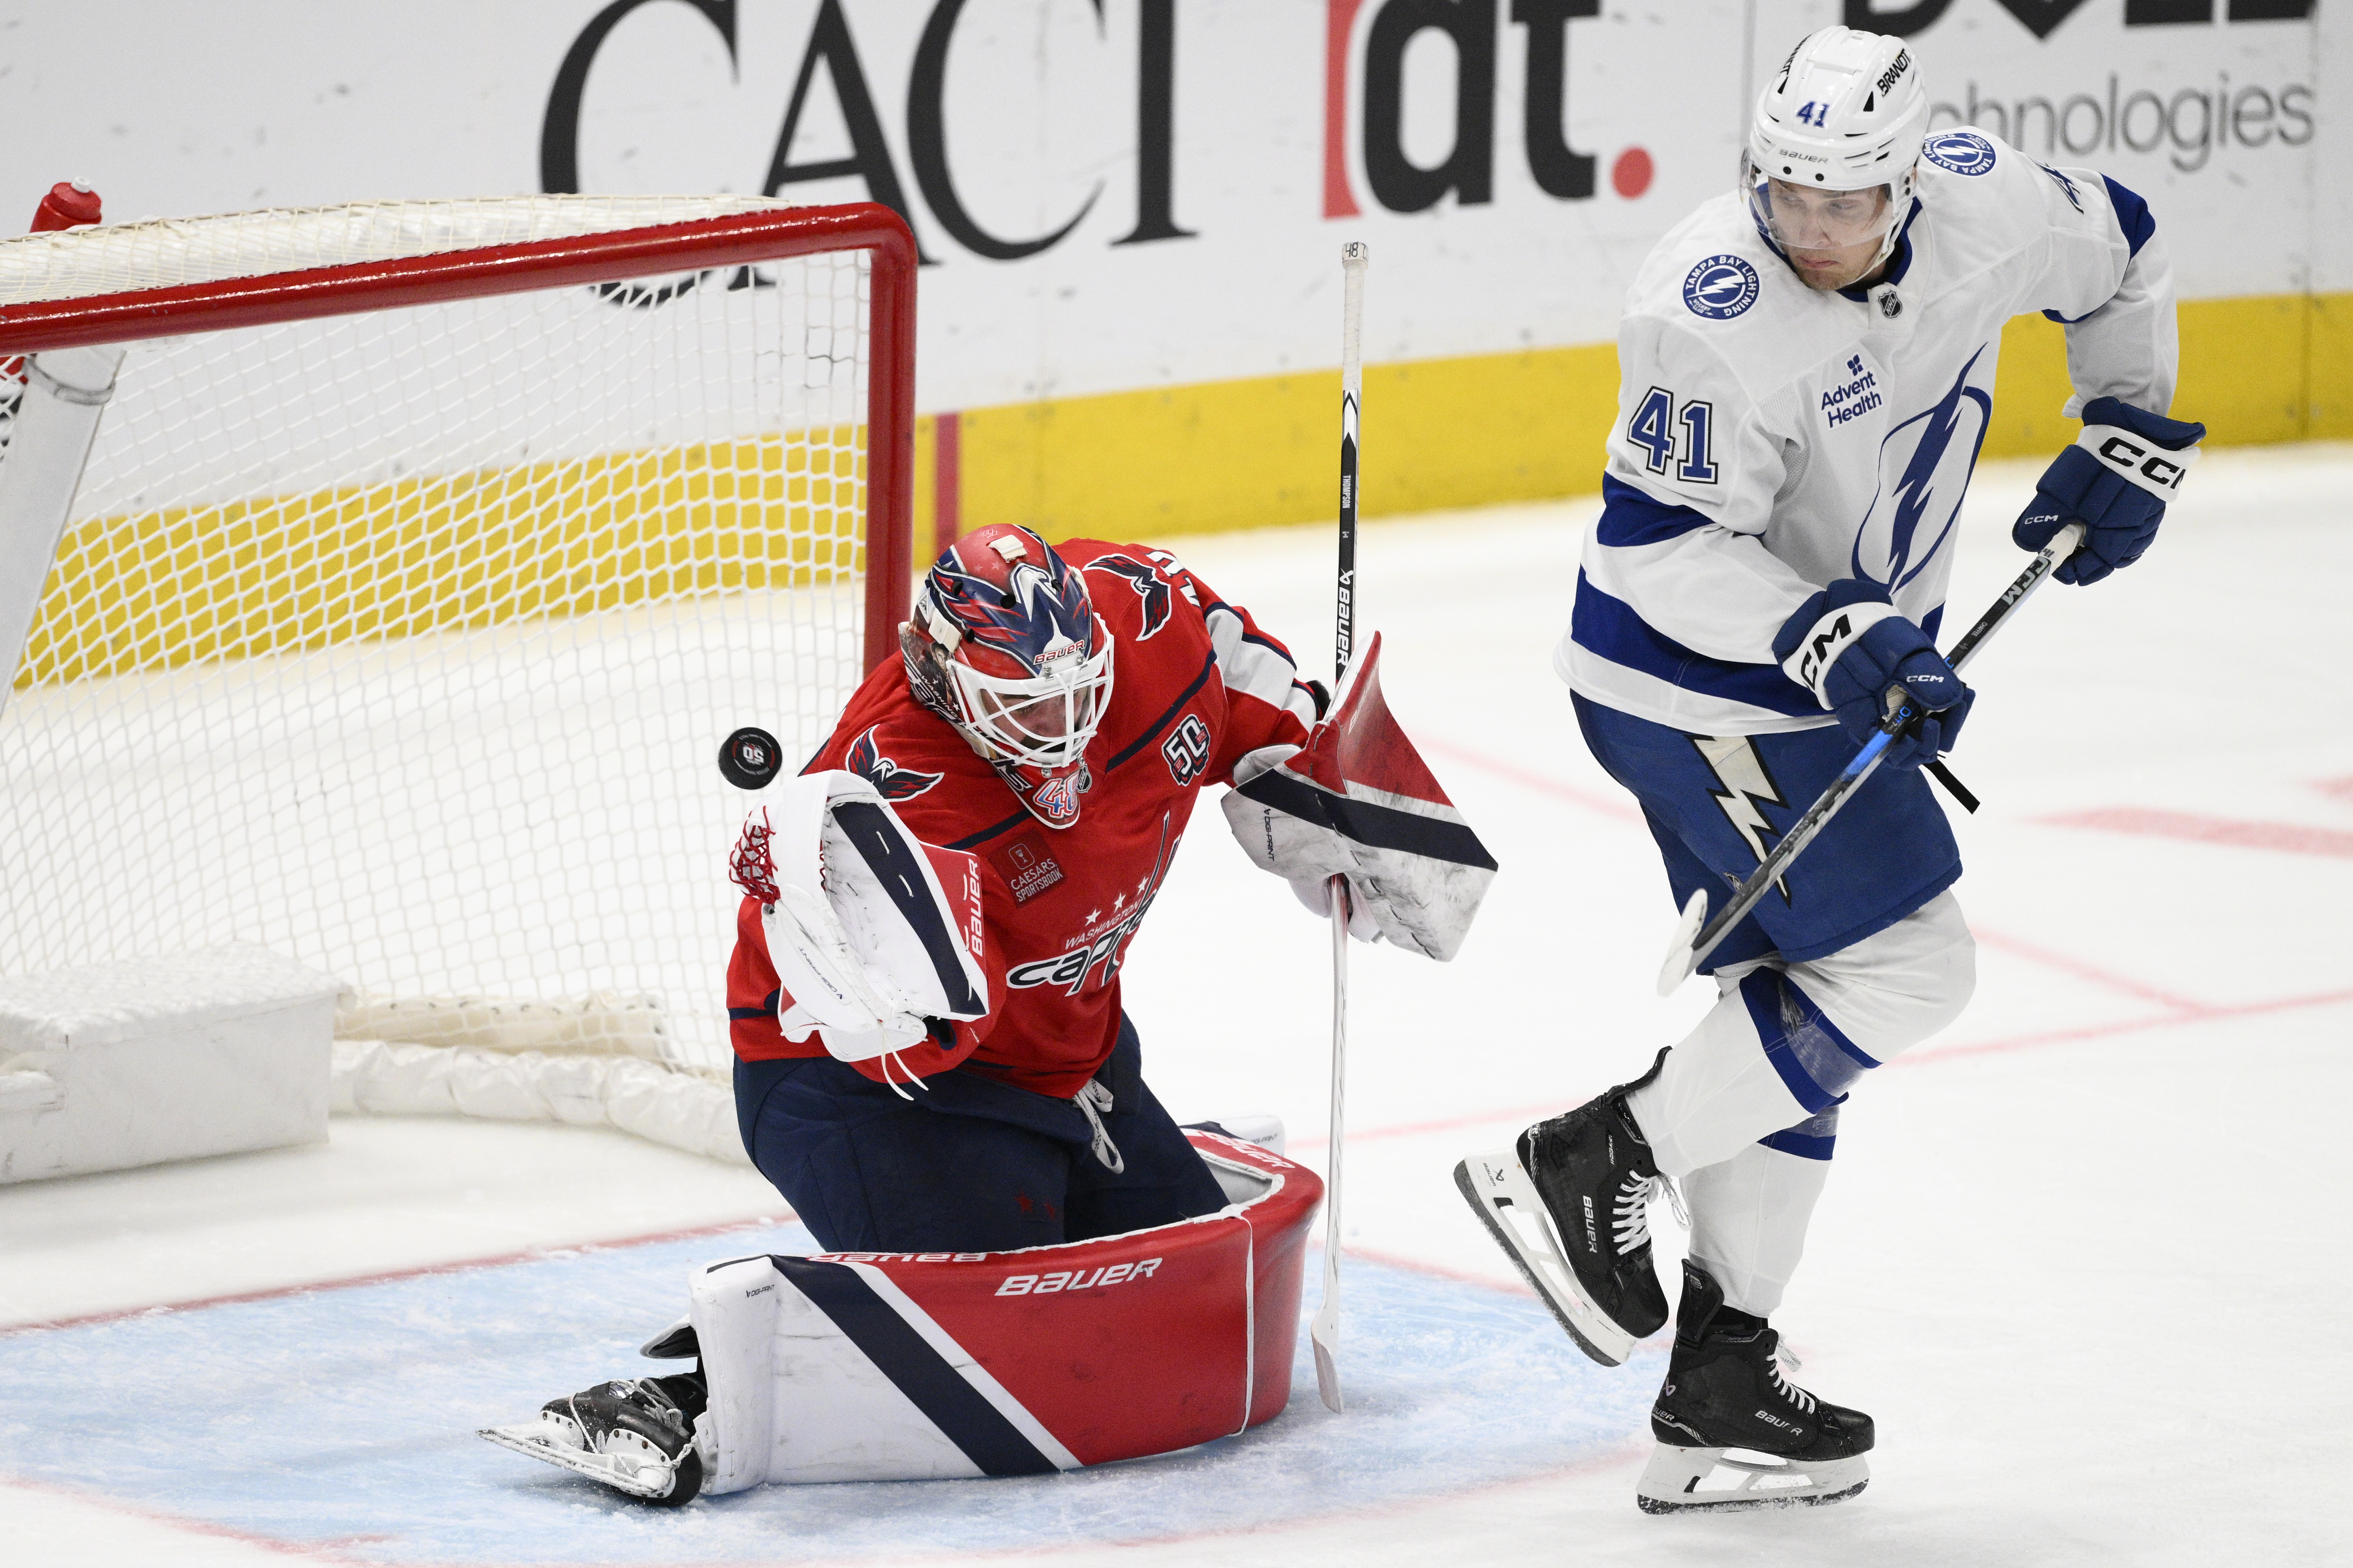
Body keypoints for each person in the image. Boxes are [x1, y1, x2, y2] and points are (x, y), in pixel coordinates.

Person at [1454, 25, 2201, 1514]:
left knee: (1802, 1005)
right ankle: (1591, 1154)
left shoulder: (1991, 209)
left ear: (1909, 188)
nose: (1808, 229)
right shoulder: (1707, 307)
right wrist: (1835, 633)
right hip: (1692, 683)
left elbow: (2125, 247)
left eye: (1842, 206)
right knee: (1912, 967)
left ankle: (1721, 1370)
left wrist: (2123, 421)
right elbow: (1658, 554)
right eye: (1785, 196)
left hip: (1819, 684)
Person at [490, 524, 1492, 1502]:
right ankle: (690, 1393)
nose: (1059, 735)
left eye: (1074, 697)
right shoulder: (897, 796)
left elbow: (1251, 681)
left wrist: (1322, 779)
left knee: (1189, 1323)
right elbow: (919, 1042)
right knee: (1022, 1355)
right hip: (869, 1089)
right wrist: (887, 980)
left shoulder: (1148, 621)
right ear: (940, 679)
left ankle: (1092, 1158)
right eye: (1021, 708)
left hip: (1072, 1052)